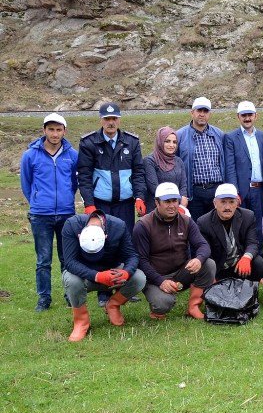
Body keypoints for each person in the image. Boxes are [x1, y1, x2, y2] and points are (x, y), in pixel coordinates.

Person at [133, 182, 216, 320]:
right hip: (155, 277)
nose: (172, 205)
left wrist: (198, 259)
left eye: (174, 201)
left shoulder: (187, 221)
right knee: (163, 304)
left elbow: (203, 245)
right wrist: (160, 281)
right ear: (157, 202)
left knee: (208, 264)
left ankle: (193, 306)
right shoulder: (143, 225)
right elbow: (141, 261)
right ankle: (158, 304)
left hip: (181, 272)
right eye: (167, 201)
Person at [21, 113, 78, 311]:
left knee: (67, 258)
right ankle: (44, 298)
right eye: (51, 129)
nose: (55, 134)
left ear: (64, 131)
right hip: (40, 216)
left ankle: (69, 294)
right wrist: (37, 201)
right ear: (44, 130)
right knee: (43, 260)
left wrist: (66, 199)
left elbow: (74, 182)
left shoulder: (72, 155)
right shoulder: (30, 155)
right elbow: (26, 183)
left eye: (59, 130)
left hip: (66, 214)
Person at [61, 210, 146, 341]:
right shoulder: (71, 225)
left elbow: (132, 256)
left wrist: (126, 272)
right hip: (83, 274)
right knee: (71, 280)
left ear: (105, 236)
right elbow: (70, 262)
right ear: (79, 236)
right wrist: (97, 276)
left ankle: (113, 305)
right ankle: (81, 322)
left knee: (139, 278)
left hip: (112, 271)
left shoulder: (119, 226)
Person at [77, 102, 145, 231]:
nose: (111, 122)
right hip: (100, 204)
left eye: (114, 118)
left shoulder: (131, 142)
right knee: (102, 241)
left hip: (125, 205)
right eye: (107, 119)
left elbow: (138, 172)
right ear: (101, 120)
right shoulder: (89, 143)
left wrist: (139, 197)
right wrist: (89, 203)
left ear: (119, 120)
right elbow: (84, 176)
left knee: (125, 242)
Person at [196, 183, 263, 282]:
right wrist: (211, 276)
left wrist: (246, 258)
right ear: (215, 203)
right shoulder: (203, 222)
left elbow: (252, 243)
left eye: (232, 202)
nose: (227, 207)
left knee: (258, 262)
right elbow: (205, 251)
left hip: (241, 265)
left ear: (237, 203)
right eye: (223, 202)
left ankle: (251, 290)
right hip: (219, 268)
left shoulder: (248, 216)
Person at [223, 100, 263, 238]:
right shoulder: (230, 137)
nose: (247, 118)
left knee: (259, 226)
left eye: (250, 115)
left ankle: (258, 256)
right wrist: (235, 192)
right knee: (241, 225)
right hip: (242, 191)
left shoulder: (262, 136)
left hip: (259, 190)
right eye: (244, 115)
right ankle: (242, 257)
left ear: (256, 116)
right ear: (238, 117)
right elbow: (230, 166)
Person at [175, 97, 225, 221]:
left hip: (216, 190)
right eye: (199, 111)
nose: (202, 114)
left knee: (216, 227)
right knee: (196, 228)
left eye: (205, 111)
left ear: (210, 114)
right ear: (192, 112)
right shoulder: (180, 135)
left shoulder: (219, 134)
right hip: (194, 192)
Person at [144, 127, 188, 208]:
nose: (171, 145)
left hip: (176, 207)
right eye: (167, 141)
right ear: (160, 142)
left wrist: (182, 202)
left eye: (174, 142)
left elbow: (183, 186)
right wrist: (170, 203)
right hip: (156, 208)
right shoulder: (150, 161)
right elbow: (154, 188)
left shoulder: (178, 161)